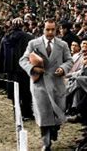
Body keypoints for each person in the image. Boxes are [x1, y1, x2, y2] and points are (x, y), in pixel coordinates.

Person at [19, 19, 73, 150]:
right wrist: (33, 69)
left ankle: (54, 129)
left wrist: (63, 68)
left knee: (57, 113)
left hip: (57, 83)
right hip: (40, 84)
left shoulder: (63, 44)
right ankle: (46, 143)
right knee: (43, 114)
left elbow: (69, 60)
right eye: (47, 29)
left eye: (52, 29)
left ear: (57, 30)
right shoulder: (33, 43)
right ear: (43, 29)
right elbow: (23, 59)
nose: (50, 32)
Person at [0, 17, 34, 120]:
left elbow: (1, 55)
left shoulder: (6, 38)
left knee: (14, 93)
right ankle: (27, 113)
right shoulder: (29, 38)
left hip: (11, 71)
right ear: (22, 26)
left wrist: (0, 69)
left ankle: (17, 114)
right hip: (24, 69)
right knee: (26, 93)